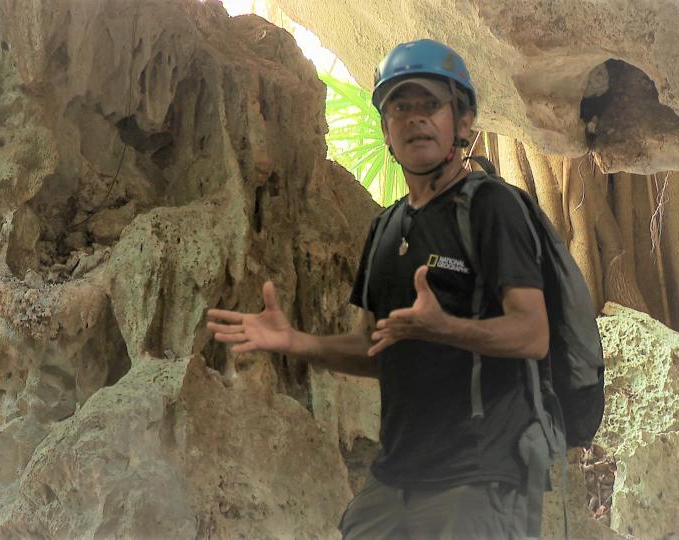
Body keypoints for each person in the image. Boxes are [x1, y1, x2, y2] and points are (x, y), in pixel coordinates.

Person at [206, 39, 550, 539]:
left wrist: (445, 328)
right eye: (399, 108)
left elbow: (533, 333)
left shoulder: (491, 206)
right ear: (387, 130)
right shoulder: (386, 227)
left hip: (481, 479)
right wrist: (297, 343)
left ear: (463, 120)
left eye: (430, 104)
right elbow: (377, 346)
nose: (415, 119)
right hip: (397, 476)